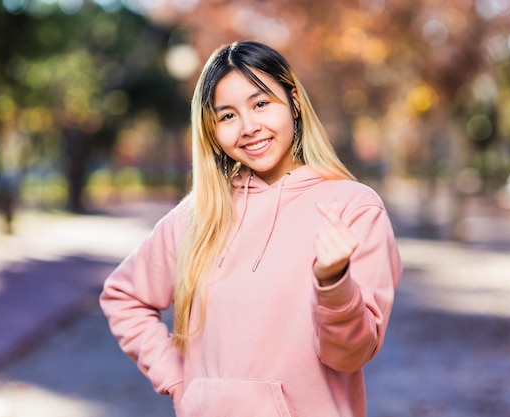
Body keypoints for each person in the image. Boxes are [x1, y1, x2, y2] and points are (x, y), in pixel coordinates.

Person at [99, 40, 402, 417]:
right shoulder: (200, 214)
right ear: (211, 130)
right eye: (227, 116)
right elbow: (122, 297)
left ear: (292, 102)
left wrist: (333, 282)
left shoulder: (354, 207)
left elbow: (350, 354)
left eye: (260, 104)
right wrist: (180, 383)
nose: (248, 127)